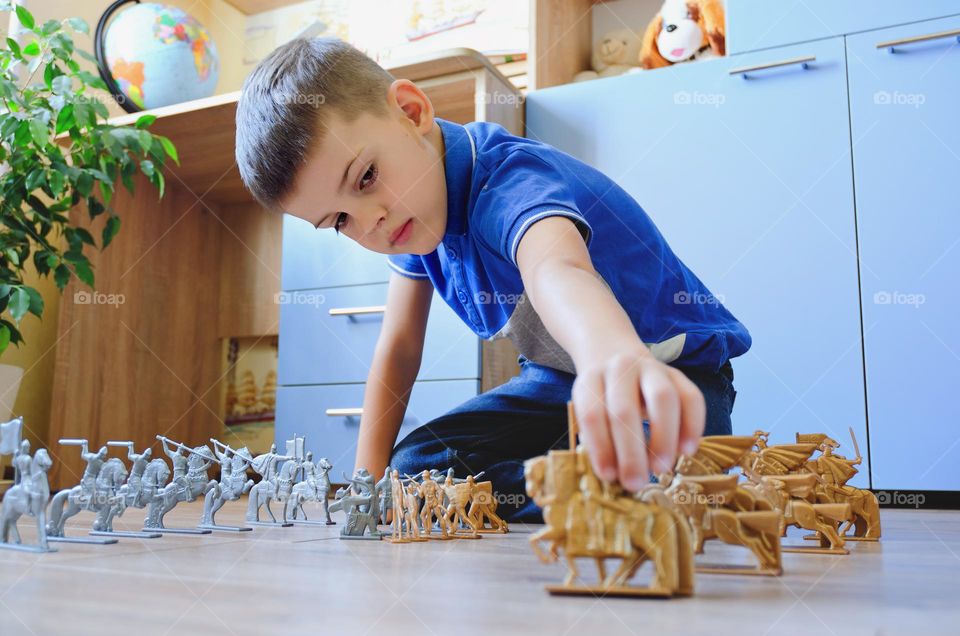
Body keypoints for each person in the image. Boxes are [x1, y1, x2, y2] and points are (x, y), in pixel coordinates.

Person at [235, 37, 750, 523]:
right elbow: (398, 347)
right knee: (413, 467)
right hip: (556, 390)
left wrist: (612, 356)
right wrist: (367, 486)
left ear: (411, 113)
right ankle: (584, 488)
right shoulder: (413, 218)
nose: (371, 220)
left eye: (367, 177)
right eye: (340, 221)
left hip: (670, 377)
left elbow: (557, 268)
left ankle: (606, 488)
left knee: (667, 472)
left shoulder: (509, 180)